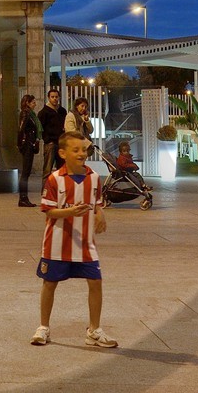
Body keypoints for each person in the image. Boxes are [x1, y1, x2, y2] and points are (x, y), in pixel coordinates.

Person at [30, 130, 116, 348]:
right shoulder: (54, 179)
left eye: (84, 149)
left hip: (86, 244)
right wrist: (70, 212)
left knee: (95, 282)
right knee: (50, 283)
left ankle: (94, 330)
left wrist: (100, 213)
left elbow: (95, 201)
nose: (81, 154)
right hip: (57, 244)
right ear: (62, 153)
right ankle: (43, 327)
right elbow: (49, 211)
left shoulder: (94, 178)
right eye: (75, 150)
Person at [16, 93, 40, 207]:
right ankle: (23, 198)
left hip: (29, 143)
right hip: (28, 144)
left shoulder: (30, 114)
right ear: (27, 103)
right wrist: (20, 144)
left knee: (27, 172)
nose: (35, 104)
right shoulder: (26, 113)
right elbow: (21, 129)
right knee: (25, 172)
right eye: (33, 102)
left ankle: (24, 197)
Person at [37, 87, 67, 173]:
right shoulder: (44, 112)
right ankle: (45, 187)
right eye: (52, 97)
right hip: (50, 144)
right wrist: (47, 139)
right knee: (47, 169)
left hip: (61, 143)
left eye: (56, 97)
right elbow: (40, 128)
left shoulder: (62, 111)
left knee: (62, 170)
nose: (55, 99)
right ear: (48, 98)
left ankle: (60, 186)